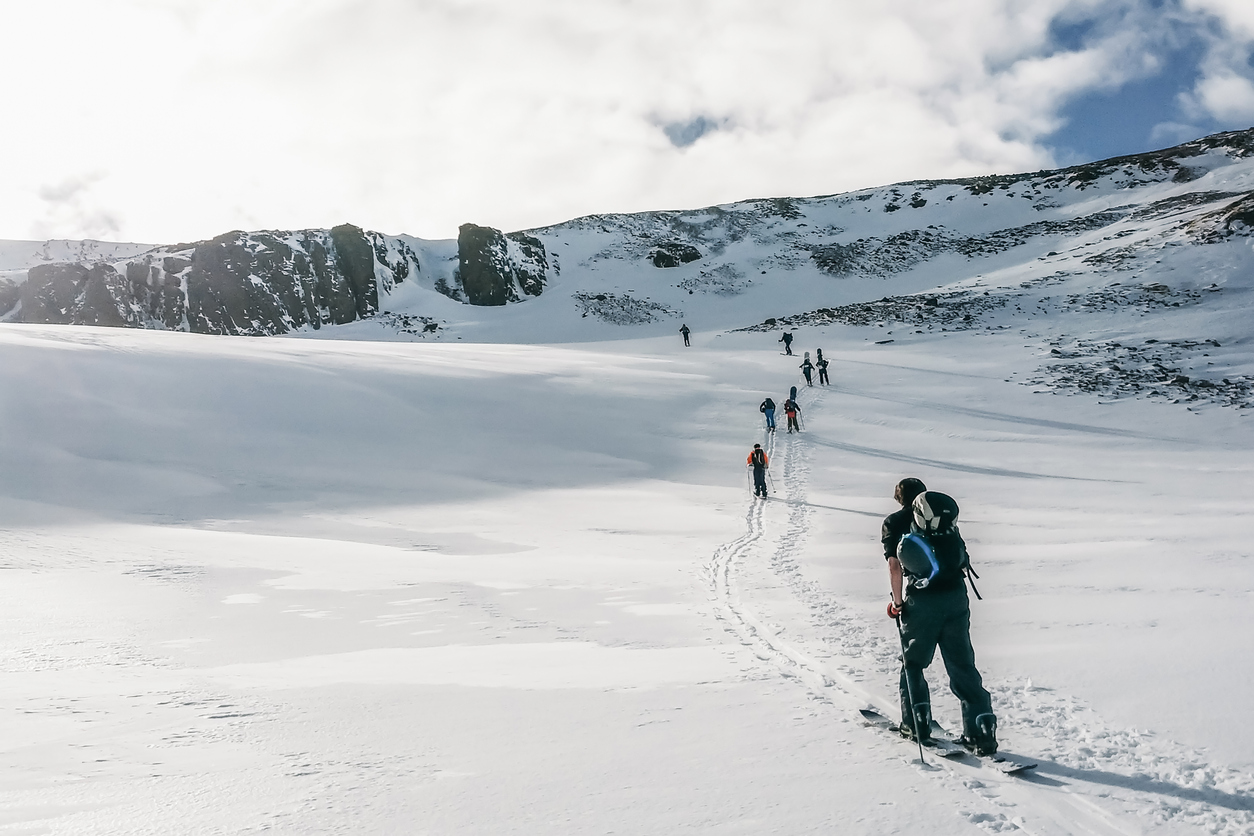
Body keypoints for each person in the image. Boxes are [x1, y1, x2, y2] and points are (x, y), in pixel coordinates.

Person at [884, 486, 997, 756]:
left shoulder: (898, 525)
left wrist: (897, 603)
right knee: (963, 665)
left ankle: (916, 723)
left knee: (913, 662)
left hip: (922, 603)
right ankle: (981, 729)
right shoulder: (947, 526)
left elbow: (894, 565)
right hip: (957, 598)